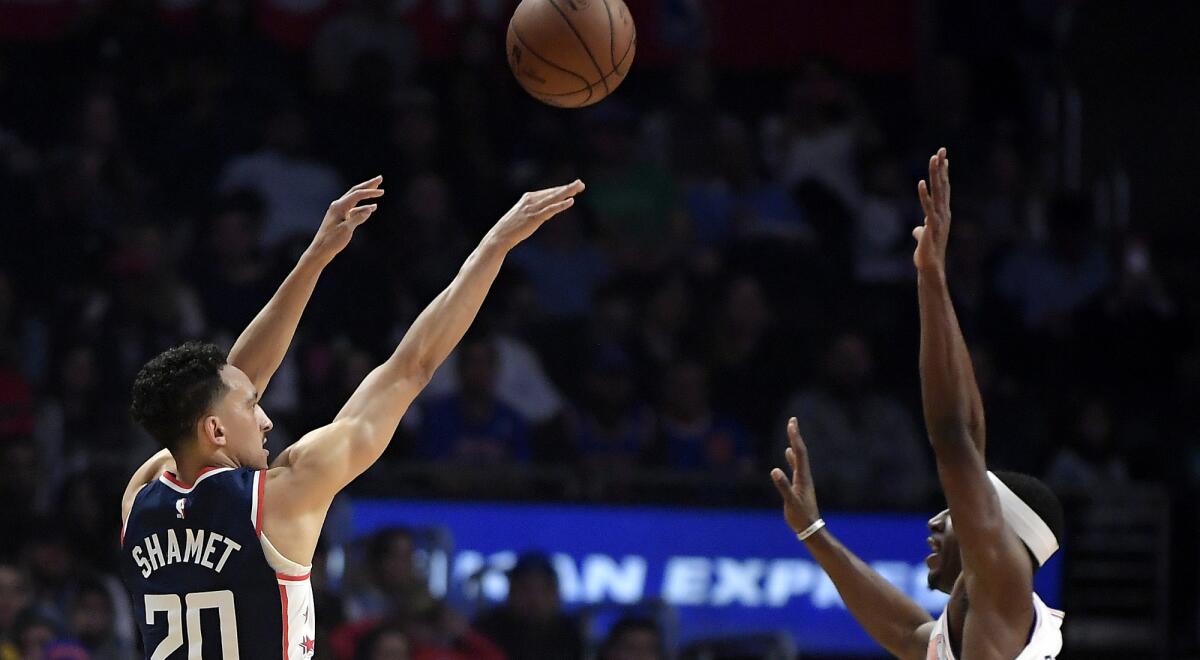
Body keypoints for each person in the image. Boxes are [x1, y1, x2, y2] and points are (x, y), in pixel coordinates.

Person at [119, 175, 585, 658]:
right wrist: (496, 244)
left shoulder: (141, 494)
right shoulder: (284, 494)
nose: (267, 420)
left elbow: (231, 382)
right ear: (214, 429)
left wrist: (316, 257)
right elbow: (411, 367)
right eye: (252, 407)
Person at [770, 149, 1066, 659]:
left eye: (956, 510)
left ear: (996, 531)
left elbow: (955, 439)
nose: (935, 520)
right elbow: (906, 635)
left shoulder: (1005, 595)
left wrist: (932, 278)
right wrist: (814, 533)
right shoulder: (982, 625)